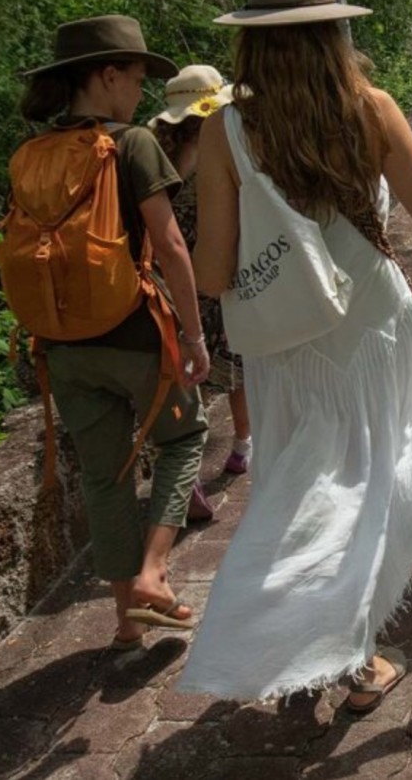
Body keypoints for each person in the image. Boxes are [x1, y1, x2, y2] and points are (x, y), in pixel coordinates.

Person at [176, 0, 412, 709]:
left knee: (301, 495)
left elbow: (212, 273)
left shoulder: (225, 132)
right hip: (375, 332)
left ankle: (314, 647)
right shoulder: (371, 109)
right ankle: (345, 653)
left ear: (250, 39)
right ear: (331, 32)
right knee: (369, 488)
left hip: (285, 346)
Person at [10, 15, 210, 649]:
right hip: (134, 334)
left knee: (106, 477)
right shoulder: (132, 144)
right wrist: (195, 336)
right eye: (137, 77)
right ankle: (154, 574)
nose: (141, 91)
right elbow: (170, 246)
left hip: (61, 345)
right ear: (107, 75)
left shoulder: (30, 155)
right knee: (186, 437)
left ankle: (127, 624)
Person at [147, 65, 251, 523]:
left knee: (186, 378)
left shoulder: (156, 158)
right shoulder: (220, 151)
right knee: (235, 365)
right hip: (215, 274)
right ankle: (243, 445)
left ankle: (187, 472)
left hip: (168, 283)